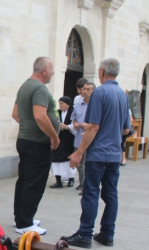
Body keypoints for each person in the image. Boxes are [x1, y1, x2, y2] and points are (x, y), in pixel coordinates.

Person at [61, 58, 130, 249]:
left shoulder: (100, 93)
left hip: (98, 153)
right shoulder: (122, 95)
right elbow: (126, 129)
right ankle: (108, 233)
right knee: (111, 194)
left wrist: (79, 152)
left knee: (90, 193)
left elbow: (93, 127)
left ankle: (85, 234)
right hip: (114, 154)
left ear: (101, 72)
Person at [11, 57, 60, 235]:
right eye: (52, 68)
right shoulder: (39, 88)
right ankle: (24, 223)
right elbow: (40, 116)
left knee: (25, 180)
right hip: (37, 143)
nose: (54, 72)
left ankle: (22, 216)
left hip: (25, 140)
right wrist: (54, 137)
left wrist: (28, 127)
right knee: (34, 182)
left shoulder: (25, 86)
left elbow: (16, 114)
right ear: (44, 70)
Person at [70, 82, 96, 195]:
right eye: (84, 89)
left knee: (87, 162)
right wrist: (75, 124)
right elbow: (74, 118)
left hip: (90, 138)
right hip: (78, 137)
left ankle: (87, 186)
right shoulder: (78, 104)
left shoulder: (95, 105)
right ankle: (82, 182)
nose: (85, 91)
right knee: (79, 163)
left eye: (88, 89)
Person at [50, 96, 76, 189]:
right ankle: (58, 181)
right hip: (59, 139)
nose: (60, 106)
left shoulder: (73, 112)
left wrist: (68, 127)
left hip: (69, 139)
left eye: (62, 104)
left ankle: (71, 179)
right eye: (59, 103)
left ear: (68, 105)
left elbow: (76, 125)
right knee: (56, 159)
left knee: (68, 160)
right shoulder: (58, 112)